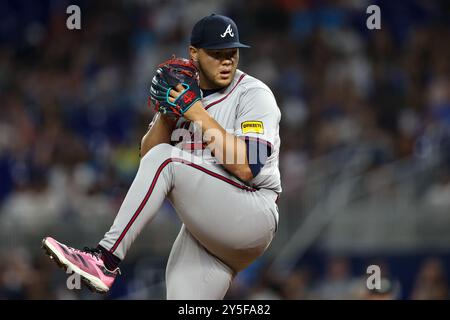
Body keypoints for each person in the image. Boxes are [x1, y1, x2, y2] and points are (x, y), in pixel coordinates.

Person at [42, 14, 281, 299]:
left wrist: (195, 112)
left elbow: (247, 167)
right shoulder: (184, 92)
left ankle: (105, 260)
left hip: (253, 212)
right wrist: (167, 116)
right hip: (207, 236)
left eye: (232, 52)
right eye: (217, 54)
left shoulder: (254, 95)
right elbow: (148, 157)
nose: (227, 61)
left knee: (167, 159)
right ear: (194, 53)